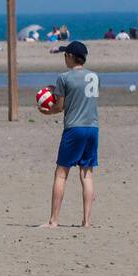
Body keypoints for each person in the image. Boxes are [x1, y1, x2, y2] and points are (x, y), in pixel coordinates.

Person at [39, 40, 98, 228]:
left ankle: (53, 220)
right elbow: (81, 97)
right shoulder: (94, 76)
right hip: (93, 128)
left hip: (74, 128)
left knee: (61, 173)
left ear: (72, 57)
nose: (64, 58)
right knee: (87, 174)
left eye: (65, 55)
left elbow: (59, 106)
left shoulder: (64, 78)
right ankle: (87, 221)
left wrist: (46, 111)